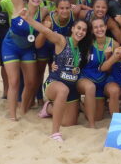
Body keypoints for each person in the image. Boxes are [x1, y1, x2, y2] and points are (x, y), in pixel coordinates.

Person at [25, 13, 91, 141]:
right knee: (62, 90)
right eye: (78, 28)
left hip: (72, 87)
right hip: (54, 83)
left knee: (68, 122)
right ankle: (55, 133)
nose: (80, 32)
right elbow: (45, 30)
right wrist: (27, 18)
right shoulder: (62, 40)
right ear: (72, 28)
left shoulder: (83, 48)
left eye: (84, 30)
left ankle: (49, 108)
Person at [77, 17, 115, 126]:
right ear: (92, 30)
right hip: (87, 79)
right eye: (95, 27)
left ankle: (86, 105)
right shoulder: (86, 44)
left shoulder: (113, 43)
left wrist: (109, 58)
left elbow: (115, 69)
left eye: (101, 26)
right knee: (90, 88)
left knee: (99, 117)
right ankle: (91, 124)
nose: (99, 29)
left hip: (102, 80)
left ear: (106, 27)